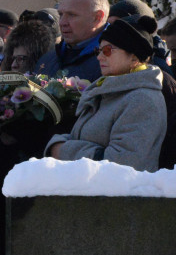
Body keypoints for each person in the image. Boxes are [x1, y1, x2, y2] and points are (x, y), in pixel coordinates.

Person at [46, 15, 167, 171]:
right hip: (88, 190)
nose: (99, 57)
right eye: (99, 50)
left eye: (108, 50)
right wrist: (58, 143)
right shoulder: (108, 91)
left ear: (134, 57)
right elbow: (80, 137)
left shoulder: (142, 99)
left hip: (117, 193)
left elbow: (123, 165)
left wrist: (63, 150)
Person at [32, 0, 108, 81]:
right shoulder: (48, 59)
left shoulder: (111, 63)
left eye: (72, 15)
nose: (62, 22)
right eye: (60, 14)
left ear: (97, 18)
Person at [107, 0, 171, 75]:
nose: (111, 31)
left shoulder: (156, 70)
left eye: (118, 25)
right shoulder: (107, 58)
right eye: (109, 25)